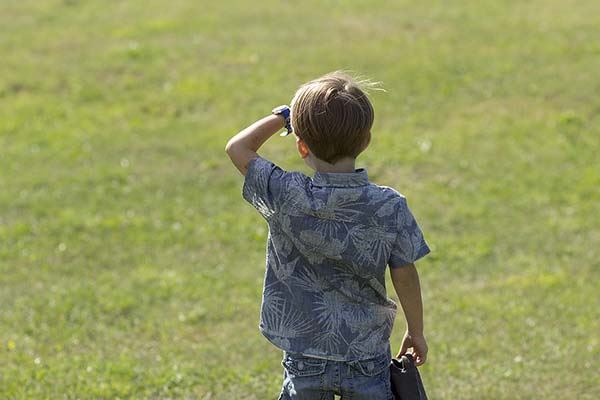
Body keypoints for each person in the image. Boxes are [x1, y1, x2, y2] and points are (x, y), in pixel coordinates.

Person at [225, 71, 430, 400]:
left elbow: (238, 148)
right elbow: (404, 272)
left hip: (304, 351)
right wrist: (415, 330)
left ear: (302, 147)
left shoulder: (286, 194)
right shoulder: (388, 205)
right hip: (366, 353)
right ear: (366, 140)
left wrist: (283, 117)